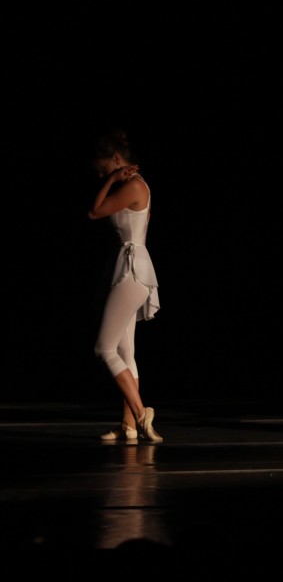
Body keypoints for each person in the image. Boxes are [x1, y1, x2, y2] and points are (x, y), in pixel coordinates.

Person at [88, 129, 164, 442]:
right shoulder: (132, 184)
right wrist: (111, 178)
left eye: (104, 169)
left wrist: (110, 181)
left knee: (104, 348)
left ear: (117, 159)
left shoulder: (133, 185)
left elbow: (94, 211)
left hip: (132, 269)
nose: (101, 175)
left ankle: (141, 412)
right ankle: (129, 425)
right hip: (127, 266)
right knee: (125, 351)